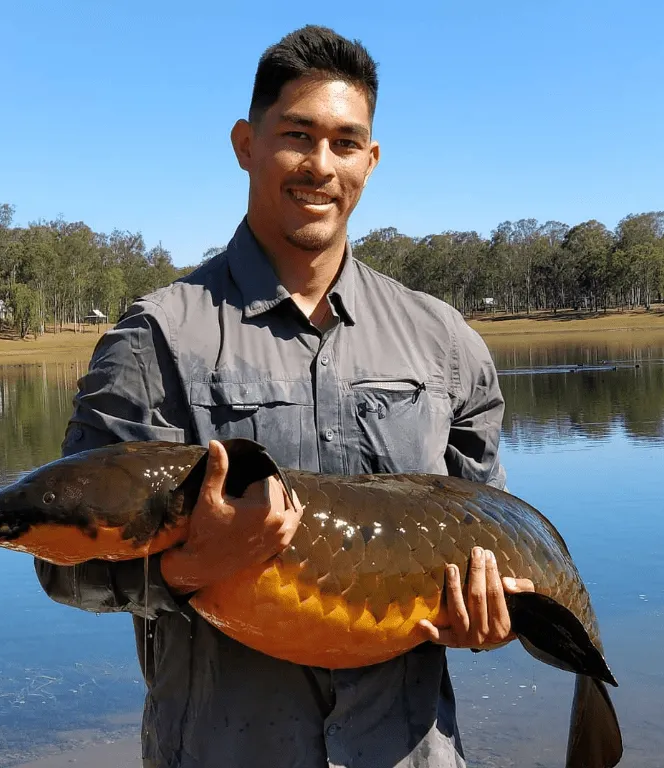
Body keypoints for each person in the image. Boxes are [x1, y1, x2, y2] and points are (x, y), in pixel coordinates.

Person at [35, 25, 534, 768]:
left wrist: (496, 616)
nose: (320, 166)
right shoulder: (157, 340)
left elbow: (489, 530)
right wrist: (189, 568)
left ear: (371, 159)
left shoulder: (444, 341)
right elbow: (60, 562)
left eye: (344, 142)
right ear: (245, 143)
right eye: (297, 135)